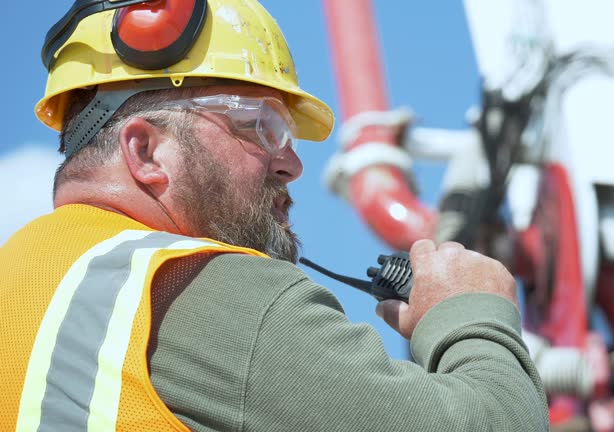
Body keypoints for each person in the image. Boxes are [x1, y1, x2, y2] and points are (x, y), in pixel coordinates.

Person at [0, 1, 548, 431]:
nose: (292, 164)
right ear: (145, 152)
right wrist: (470, 316)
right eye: (259, 126)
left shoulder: (20, 279)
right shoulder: (198, 288)